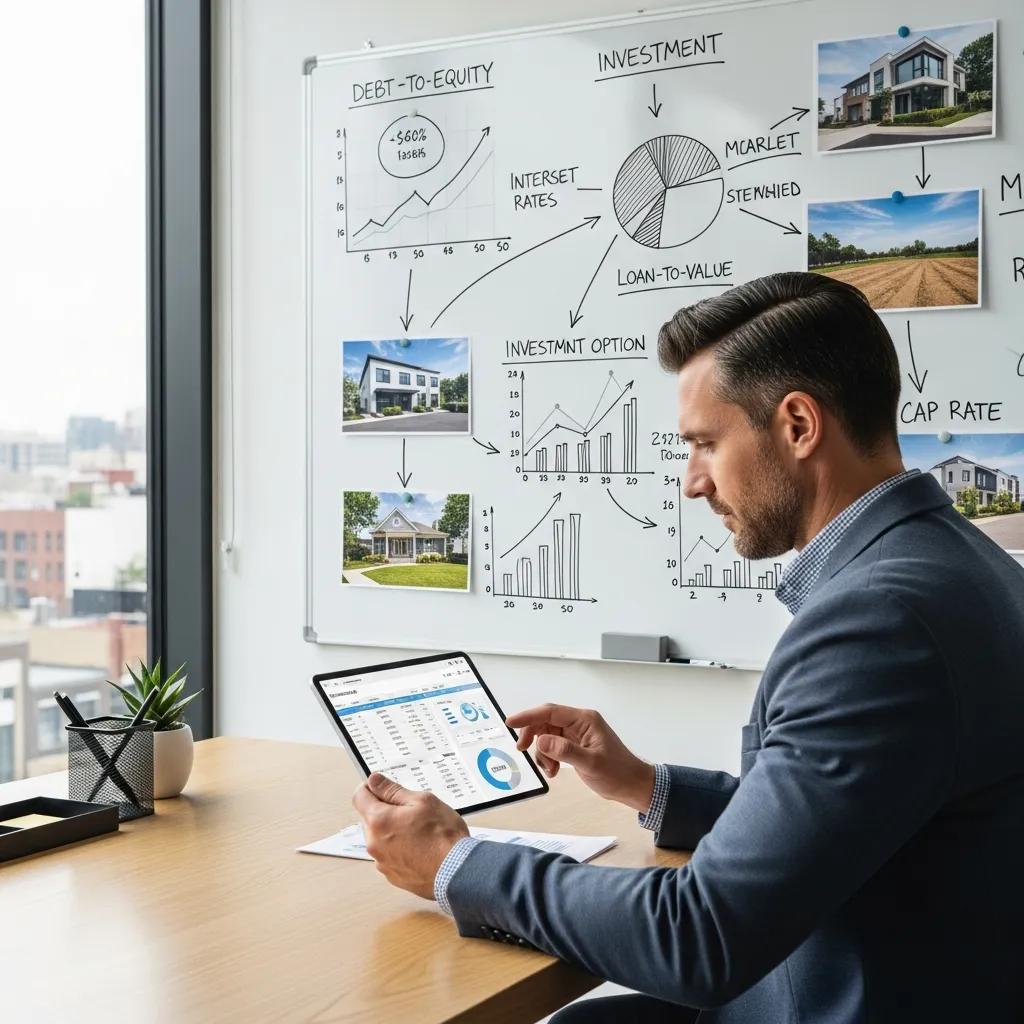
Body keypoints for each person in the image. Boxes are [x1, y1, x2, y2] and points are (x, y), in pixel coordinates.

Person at [352, 272, 1024, 1022]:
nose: (691, 483)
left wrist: (456, 863)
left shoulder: (877, 624)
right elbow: (841, 817)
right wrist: (645, 785)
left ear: (799, 425)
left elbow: (698, 936)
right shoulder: (964, 563)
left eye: (705, 443)